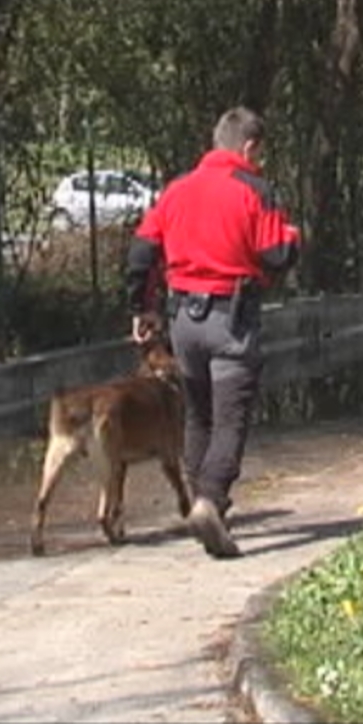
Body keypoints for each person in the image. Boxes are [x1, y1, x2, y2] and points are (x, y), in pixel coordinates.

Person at [126, 106, 300, 558]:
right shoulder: (255, 190)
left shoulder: (176, 190)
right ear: (248, 147)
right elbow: (277, 254)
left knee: (198, 416)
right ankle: (210, 500)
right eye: (259, 153)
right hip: (232, 319)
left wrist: (143, 309)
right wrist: (294, 237)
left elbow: (142, 253)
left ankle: (205, 501)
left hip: (183, 321)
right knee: (230, 419)